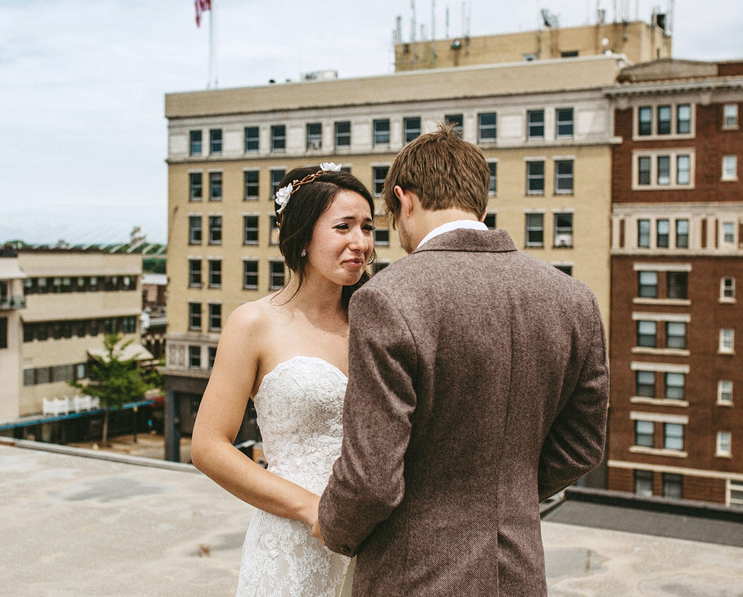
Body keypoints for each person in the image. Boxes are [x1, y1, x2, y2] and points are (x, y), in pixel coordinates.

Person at [312, 122, 609, 596]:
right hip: (519, 573)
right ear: (481, 204)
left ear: (404, 200)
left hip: (413, 576)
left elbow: (371, 477)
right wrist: (501, 497)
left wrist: (334, 529)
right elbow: (582, 448)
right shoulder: (574, 299)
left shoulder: (387, 297)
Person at [191, 162, 375, 597]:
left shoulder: (376, 320)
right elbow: (208, 446)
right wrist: (309, 508)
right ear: (302, 236)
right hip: (293, 545)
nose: (360, 242)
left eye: (368, 227)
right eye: (343, 227)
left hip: (375, 542)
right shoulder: (253, 323)